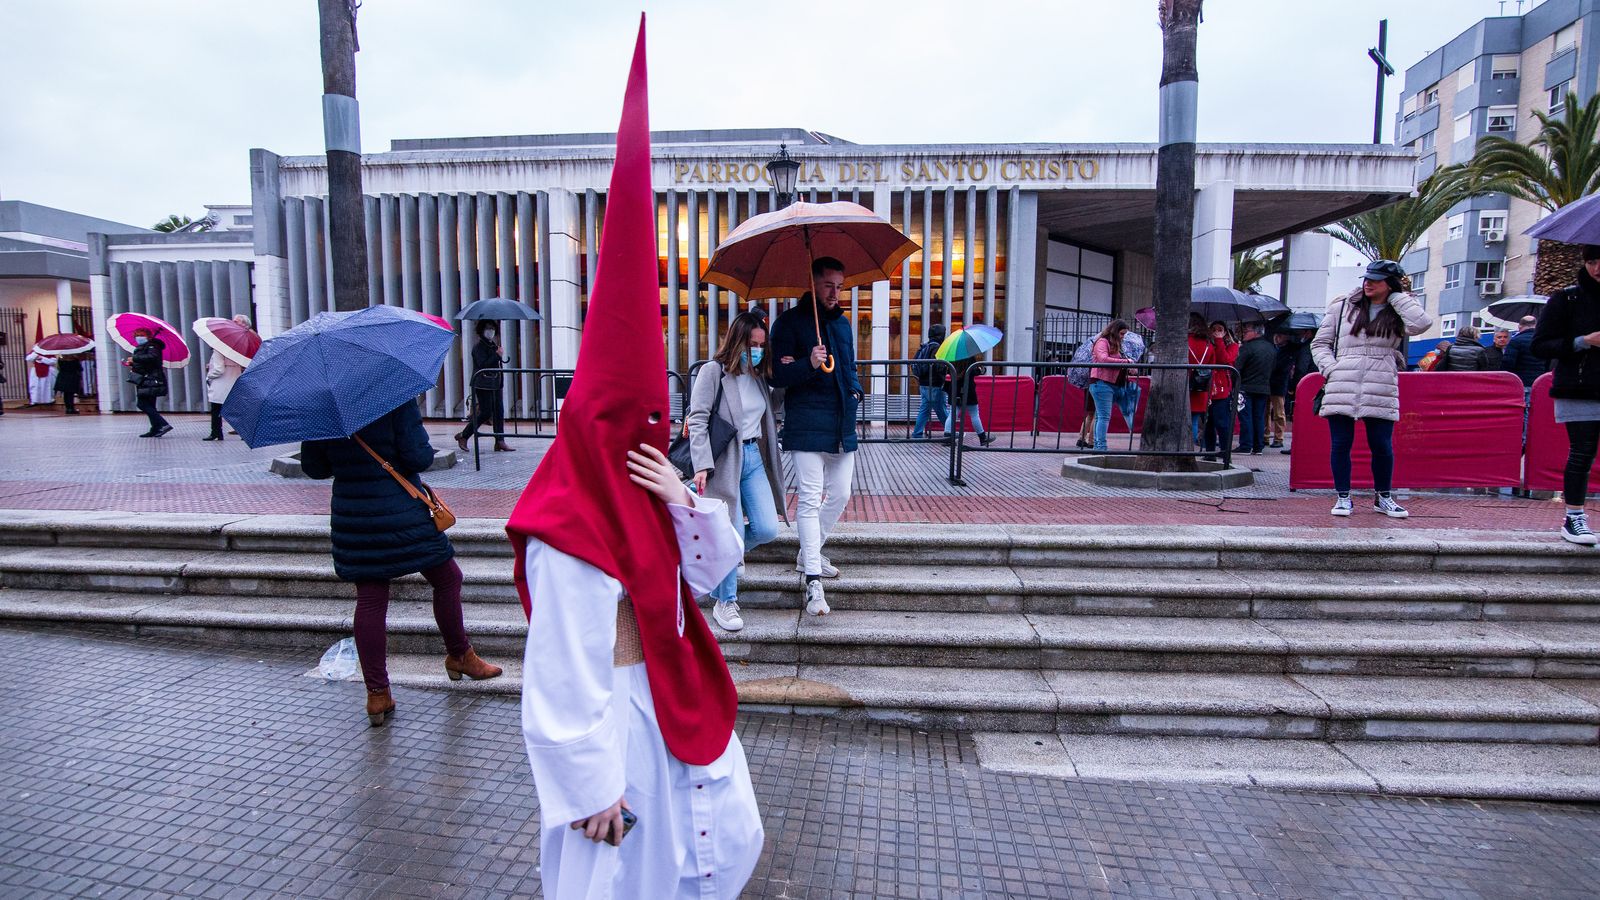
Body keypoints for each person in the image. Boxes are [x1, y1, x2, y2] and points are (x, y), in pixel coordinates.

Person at [300, 399, 502, 725]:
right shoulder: (393, 394)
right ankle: (460, 655)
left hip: (354, 517)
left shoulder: (323, 405)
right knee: (447, 577)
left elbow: (315, 467)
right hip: (401, 511)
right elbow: (417, 457)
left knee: (370, 599)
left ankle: (377, 694)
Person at [770, 256, 863, 616]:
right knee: (809, 499)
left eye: (839, 286)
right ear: (812, 284)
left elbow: (850, 367)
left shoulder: (841, 325)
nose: (835, 293)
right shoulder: (789, 324)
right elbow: (777, 375)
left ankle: (808, 551)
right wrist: (808, 363)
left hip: (841, 422)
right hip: (805, 422)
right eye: (828, 286)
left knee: (841, 493)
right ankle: (812, 579)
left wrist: (856, 391)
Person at [1311, 259, 1432, 518]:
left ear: (1390, 284)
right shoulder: (1343, 306)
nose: (1369, 283)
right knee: (1341, 442)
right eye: (1367, 278)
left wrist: (1398, 298)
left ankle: (1383, 497)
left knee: (1381, 444)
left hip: (1381, 380)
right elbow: (1319, 343)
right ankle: (1343, 496)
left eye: (1376, 279)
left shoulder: (1399, 308)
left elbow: (1421, 324)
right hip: (1343, 380)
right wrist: (1332, 369)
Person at [688, 312, 785, 633]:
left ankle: (719, 565)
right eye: (751, 344)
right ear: (736, 341)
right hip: (723, 461)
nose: (756, 350)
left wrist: (785, 377)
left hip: (754, 455)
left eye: (760, 345)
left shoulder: (758, 375)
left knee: (767, 528)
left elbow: (769, 410)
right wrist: (702, 463)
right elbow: (698, 418)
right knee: (733, 532)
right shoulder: (712, 372)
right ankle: (726, 600)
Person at [1531, 244, 1600, 545]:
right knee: (1582, 453)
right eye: (1593, 261)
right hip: (1579, 386)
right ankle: (1574, 517)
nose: (1598, 268)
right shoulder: (1566, 299)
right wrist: (1584, 341)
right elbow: (1541, 345)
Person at [455, 320, 515, 453]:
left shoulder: (492, 345)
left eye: (493, 328)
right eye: (488, 328)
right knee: (486, 412)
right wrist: (497, 355)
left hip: (495, 383)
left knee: (499, 412)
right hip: (482, 384)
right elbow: (483, 364)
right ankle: (464, 435)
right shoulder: (478, 347)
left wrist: (498, 354)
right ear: (482, 330)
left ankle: (500, 441)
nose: (490, 331)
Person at [1087, 319, 1138, 451]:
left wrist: (1128, 366)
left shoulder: (1116, 344)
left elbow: (1116, 362)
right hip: (1101, 382)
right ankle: (1101, 447)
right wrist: (1125, 362)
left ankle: (1098, 446)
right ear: (1114, 331)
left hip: (1109, 384)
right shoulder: (1102, 342)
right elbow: (1103, 359)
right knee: (1103, 416)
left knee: (1100, 416)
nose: (1123, 336)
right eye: (1121, 333)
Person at [202, 315, 253, 441]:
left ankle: (216, 433)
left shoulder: (221, 347)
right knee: (237, 408)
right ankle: (245, 432)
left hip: (221, 382)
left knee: (216, 409)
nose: (233, 323)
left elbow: (219, 369)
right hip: (234, 378)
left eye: (236, 322)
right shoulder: (242, 345)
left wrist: (210, 375)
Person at [1233, 321, 1275, 455]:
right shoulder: (1271, 348)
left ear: (1256, 332)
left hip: (1245, 387)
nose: (1244, 333)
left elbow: (1237, 368)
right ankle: (1258, 446)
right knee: (1259, 417)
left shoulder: (1247, 348)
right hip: (1263, 387)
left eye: (1246, 331)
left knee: (1246, 416)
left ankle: (1246, 445)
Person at [123, 327, 171, 437]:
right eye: (136, 336)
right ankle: (155, 428)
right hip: (146, 379)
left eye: (141, 335)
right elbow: (146, 363)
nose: (138, 338)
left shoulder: (152, 346)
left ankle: (163, 424)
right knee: (150, 404)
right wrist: (132, 364)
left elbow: (152, 358)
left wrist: (135, 358)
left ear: (148, 336)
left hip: (150, 379)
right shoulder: (145, 347)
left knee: (142, 403)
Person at [944, 355, 997, 447]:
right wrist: (981, 369)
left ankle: (948, 436)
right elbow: (975, 371)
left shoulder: (953, 357)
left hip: (955, 390)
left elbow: (948, 371)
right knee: (974, 414)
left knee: (952, 414)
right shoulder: (969, 357)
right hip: (968, 390)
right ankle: (982, 437)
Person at [910, 324, 949, 439]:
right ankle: (950, 431)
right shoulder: (937, 347)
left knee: (925, 409)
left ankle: (917, 433)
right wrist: (946, 369)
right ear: (940, 335)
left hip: (923, 383)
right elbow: (938, 367)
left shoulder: (925, 346)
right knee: (941, 408)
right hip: (935, 383)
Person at [1503, 315, 1550, 390]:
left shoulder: (1516, 341)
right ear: (1536, 326)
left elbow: (1508, 363)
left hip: (1520, 382)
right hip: (1539, 382)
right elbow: (1549, 363)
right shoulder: (1543, 341)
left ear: (1520, 326)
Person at [1267, 331, 1296, 449]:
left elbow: (1284, 367)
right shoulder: (1271, 347)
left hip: (1279, 383)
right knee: (1266, 412)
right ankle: (1266, 435)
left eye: (1280, 335)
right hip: (1267, 382)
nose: (1277, 337)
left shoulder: (1290, 350)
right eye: (1276, 334)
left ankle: (1279, 438)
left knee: (1279, 412)